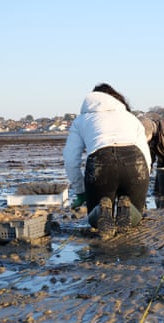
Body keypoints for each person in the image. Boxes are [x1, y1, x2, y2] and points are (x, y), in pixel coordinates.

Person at [63, 83, 151, 239]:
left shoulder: (81, 120)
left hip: (100, 162)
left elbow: (70, 159)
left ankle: (103, 209)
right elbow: (146, 156)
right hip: (135, 162)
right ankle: (127, 208)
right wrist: (142, 184)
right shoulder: (131, 118)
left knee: (95, 220)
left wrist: (80, 191)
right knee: (136, 217)